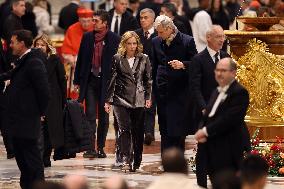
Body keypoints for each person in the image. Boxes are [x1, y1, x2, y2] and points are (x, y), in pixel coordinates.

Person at [1, 29, 49, 189]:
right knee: (22, 159)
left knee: (32, 159)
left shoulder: (34, 61)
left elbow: (43, 91)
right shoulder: (24, 60)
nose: (10, 45)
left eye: (13, 42)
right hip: (18, 120)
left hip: (28, 119)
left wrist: (41, 112)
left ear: (22, 43)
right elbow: (10, 74)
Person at [194, 58, 250, 187]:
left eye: (223, 70)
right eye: (217, 70)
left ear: (233, 72)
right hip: (212, 149)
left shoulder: (240, 92)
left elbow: (229, 119)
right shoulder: (217, 90)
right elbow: (207, 114)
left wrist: (205, 131)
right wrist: (200, 129)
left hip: (228, 150)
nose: (219, 74)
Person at [74, 9, 120, 159]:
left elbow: (118, 64)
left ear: (105, 23)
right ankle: (90, 147)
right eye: (92, 20)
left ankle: (100, 147)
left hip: (106, 83)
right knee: (90, 115)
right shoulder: (87, 37)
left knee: (104, 117)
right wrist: (77, 81)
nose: (93, 23)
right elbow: (80, 60)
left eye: (96, 21)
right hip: (90, 81)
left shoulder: (115, 39)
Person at [104, 31, 152, 172]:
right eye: (129, 43)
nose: (132, 46)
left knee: (137, 131)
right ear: (124, 44)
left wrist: (148, 97)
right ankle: (125, 160)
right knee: (124, 129)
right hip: (120, 98)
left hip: (138, 99)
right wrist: (108, 101)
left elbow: (148, 80)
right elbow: (112, 80)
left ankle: (136, 159)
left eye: (134, 43)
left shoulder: (144, 58)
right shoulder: (117, 58)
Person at [190, 25, 230, 187]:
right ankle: (202, 183)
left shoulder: (227, 57)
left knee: (222, 149)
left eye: (223, 37)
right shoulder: (198, 59)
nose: (222, 40)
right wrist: (204, 108)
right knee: (204, 150)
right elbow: (195, 88)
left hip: (224, 113)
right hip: (205, 113)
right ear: (209, 38)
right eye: (218, 37)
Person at [152, 15, 197, 153]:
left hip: (180, 92)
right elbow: (153, 67)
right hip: (163, 91)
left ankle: (177, 163)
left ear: (170, 29)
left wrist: (183, 64)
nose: (158, 35)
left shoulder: (187, 41)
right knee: (164, 129)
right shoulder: (155, 41)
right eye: (157, 32)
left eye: (161, 32)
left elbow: (196, 64)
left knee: (178, 131)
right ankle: (166, 162)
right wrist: (152, 91)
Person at [33, 34, 67, 167]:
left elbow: (62, 80)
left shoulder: (54, 59)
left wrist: (63, 100)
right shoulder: (31, 59)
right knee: (39, 129)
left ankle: (45, 157)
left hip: (53, 99)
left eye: (43, 45)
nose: (40, 47)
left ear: (48, 46)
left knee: (49, 129)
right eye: (38, 44)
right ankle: (40, 157)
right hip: (36, 98)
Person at [134, 8, 157, 145]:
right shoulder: (135, 35)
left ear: (153, 19)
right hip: (137, 76)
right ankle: (142, 130)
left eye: (146, 17)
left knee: (150, 104)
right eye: (141, 17)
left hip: (154, 76)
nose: (142, 20)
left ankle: (149, 132)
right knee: (139, 105)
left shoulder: (159, 35)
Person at [61, 8, 94, 98]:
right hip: (75, 67)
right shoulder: (72, 29)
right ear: (79, 20)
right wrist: (75, 60)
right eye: (83, 21)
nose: (86, 24)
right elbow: (66, 50)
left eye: (88, 21)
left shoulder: (96, 28)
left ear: (92, 20)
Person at [2, 0, 26, 64]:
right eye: (21, 5)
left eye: (24, 5)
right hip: (13, 57)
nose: (24, 8)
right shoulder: (11, 21)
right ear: (14, 7)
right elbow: (12, 42)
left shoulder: (16, 19)